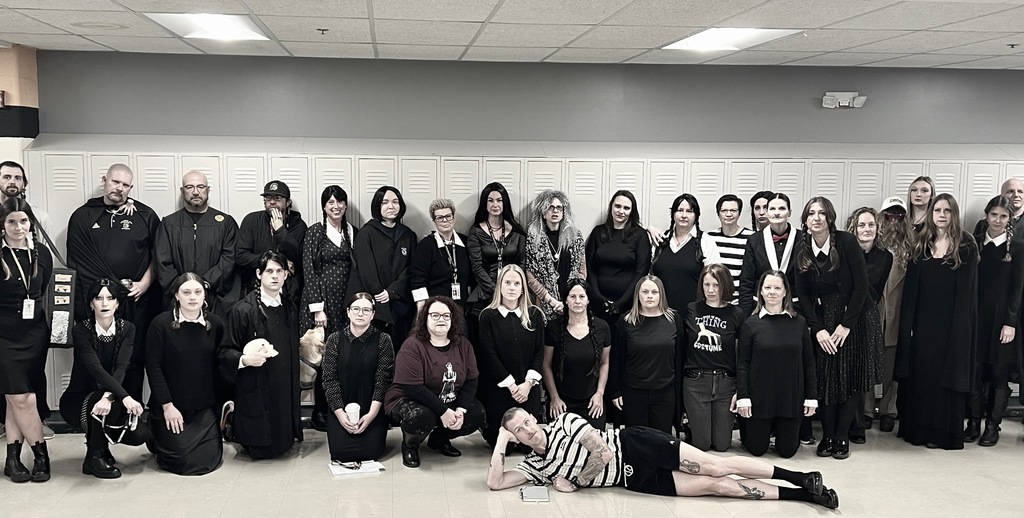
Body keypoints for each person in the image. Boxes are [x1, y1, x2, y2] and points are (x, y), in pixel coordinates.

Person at [487, 408, 838, 510]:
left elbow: (602, 452)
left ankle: (798, 476)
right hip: (631, 478)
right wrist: (500, 442)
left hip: (634, 444)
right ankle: (805, 495)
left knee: (715, 465)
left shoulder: (564, 421)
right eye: (520, 430)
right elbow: (496, 482)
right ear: (518, 438)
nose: (530, 430)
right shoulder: (536, 466)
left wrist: (574, 482)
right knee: (718, 487)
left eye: (528, 421)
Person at [794, 197, 881, 460]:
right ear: (806, 220)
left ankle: (841, 436)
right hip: (824, 319)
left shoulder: (846, 241)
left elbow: (862, 286)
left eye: (822, 213)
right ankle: (828, 436)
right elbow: (803, 295)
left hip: (856, 317)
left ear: (830, 218)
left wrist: (846, 325)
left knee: (848, 378)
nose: (817, 218)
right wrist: (818, 329)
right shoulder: (802, 247)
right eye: (812, 213)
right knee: (828, 378)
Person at [66, 163, 160, 402]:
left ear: (131, 187)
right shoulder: (82, 215)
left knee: (133, 357)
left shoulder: (145, 215)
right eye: (115, 182)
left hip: (135, 302)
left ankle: (130, 411)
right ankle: (92, 412)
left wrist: (144, 284)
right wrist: (94, 299)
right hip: (98, 304)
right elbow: (77, 263)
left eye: (125, 185)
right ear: (104, 180)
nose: (119, 188)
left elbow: (158, 256)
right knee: (96, 358)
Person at [897, 193, 978, 450]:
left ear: (954, 214)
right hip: (922, 324)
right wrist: (908, 325)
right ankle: (918, 431)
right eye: (937, 210)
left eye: (947, 211)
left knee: (945, 379)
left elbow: (967, 294)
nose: (942, 215)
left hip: (951, 325)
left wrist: (960, 329)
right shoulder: (921, 245)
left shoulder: (965, 246)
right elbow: (911, 291)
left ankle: (942, 433)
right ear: (931, 214)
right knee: (922, 377)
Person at [60, 279, 148, 479]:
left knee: (140, 434)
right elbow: (95, 368)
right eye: (98, 298)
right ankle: (97, 456)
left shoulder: (128, 329)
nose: (105, 303)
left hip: (109, 397)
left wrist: (109, 396)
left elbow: (121, 367)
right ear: (91, 304)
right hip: (78, 400)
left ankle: (94, 453)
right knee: (105, 404)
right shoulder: (81, 330)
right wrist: (123, 397)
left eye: (110, 298)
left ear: (118, 303)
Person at [384, 296, 485, 468]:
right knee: (422, 415)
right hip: (409, 399)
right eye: (435, 315)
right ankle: (410, 446)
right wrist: (443, 411)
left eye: (446, 316)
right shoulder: (413, 345)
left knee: (476, 413)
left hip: (447, 399)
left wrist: (459, 410)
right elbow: (413, 387)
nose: (441, 320)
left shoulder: (464, 344)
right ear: (425, 318)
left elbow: (471, 380)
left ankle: (439, 439)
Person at [222, 251, 303, 460]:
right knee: (260, 441)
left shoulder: (290, 307)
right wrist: (245, 360)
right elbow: (225, 351)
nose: (275, 276)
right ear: (259, 274)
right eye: (269, 271)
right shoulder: (242, 310)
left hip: (283, 383)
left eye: (279, 271)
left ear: (286, 274)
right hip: (256, 382)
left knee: (282, 440)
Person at [145, 273, 226, 475]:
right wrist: (167, 406)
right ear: (177, 296)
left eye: (198, 292)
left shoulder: (216, 325)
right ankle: (156, 435)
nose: (192, 297)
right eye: (186, 292)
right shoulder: (160, 324)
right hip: (171, 407)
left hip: (202, 408)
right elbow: (153, 368)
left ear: (204, 295)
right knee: (182, 459)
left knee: (209, 459)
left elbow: (221, 365)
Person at [736, 271, 817, 459]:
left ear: (785, 292)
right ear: (761, 292)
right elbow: (743, 364)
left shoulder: (799, 323)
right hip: (760, 397)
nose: (772, 292)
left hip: (790, 397)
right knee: (757, 449)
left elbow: (809, 362)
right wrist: (743, 397)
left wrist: (812, 396)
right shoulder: (751, 324)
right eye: (768, 287)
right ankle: (753, 431)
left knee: (787, 451)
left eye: (777, 288)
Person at [0, 161, 53, 437]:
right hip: (5, 331)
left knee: (22, 393)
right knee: (19, 395)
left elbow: (44, 287)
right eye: (10, 221)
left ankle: (13, 454)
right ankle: (39, 451)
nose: (18, 226)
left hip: (33, 329)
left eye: (17, 177)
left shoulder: (40, 253)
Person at [968, 195, 1024, 446]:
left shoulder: (1018, 248)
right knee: (975, 371)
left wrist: (1011, 322)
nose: (998, 220)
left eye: (1004, 216)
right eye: (994, 215)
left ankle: (993, 426)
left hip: (1003, 321)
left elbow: (1017, 289)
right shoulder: (975, 244)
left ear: (1009, 219)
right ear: (986, 215)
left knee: (999, 373)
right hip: (977, 318)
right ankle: (972, 423)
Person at [300, 185, 357, 431]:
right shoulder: (315, 232)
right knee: (320, 358)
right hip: (322, 304)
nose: (335, 206)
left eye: (340, 202)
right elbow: (309, 270)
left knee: (339, 358)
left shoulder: (351, 232)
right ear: (324, 206)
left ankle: (338, 408)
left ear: (345, 205)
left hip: (344, 302)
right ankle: (319, 412)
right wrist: (317, 309)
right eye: (330, 202)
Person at [321, 293, 395, 462]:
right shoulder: (334, 339)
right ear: (348, 312)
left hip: (372, 408)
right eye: (356, 309)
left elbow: (383, 381)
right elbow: (329, 379)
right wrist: (340, 414)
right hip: (341, 407)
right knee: (340, 453)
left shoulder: (383, 340)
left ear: (373, 314)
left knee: (371, 454)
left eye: (366, 310)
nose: (360, 313)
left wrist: (371, 415)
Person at [477, 264, 545, 447]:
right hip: (500, 388)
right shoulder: (488, 316)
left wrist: (527, 385)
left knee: (528, 446)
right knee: (501, 444)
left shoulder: (534, 314)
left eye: (516, 283)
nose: (512, 287)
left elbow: (539, 352)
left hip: (527, 389)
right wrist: (512, 386)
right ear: (499, 286)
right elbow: (488, 354)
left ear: (523, 288)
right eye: (507, 283)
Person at [155, 170, 239, 316]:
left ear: (208, 190)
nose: (195, 192)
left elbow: (229, 258)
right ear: (182, 191)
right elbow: (162, 261)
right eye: (189, 187)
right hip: (178, 297)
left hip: (215, 297)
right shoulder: (169, 223)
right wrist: (182, 288)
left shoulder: (225, 223)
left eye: (200, 187)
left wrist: (205, 283)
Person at [610, 275, 686, 434]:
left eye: (654, 292)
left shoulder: (674, 320)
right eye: (645, 292)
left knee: (662, 440)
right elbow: (616, 359)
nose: (650, 296)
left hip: (665, 393)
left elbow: (681, 358)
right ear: (638, 294)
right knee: (637, 439)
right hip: (634, 392)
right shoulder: (625, 322)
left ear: (661, 295)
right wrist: (616, 390)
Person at [683, 264, 746, 452]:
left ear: (725, 285)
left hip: (725, 383)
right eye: (706, 284)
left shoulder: (736, 314)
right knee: (701, 445)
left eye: (716, 285)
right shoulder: (692, 310)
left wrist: (739, 389)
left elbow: (742, 354)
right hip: (696, 381)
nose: (710, 290)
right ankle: (692, 426)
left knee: (722, 446)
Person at [844, 206, 893, 444]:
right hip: (843, 317)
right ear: (853, 228)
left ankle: (859, 425)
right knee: (845, 371)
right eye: (862, 225)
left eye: (871, 225)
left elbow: (868, 289)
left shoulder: (886, 257)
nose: (867, 229)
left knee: (863, 372)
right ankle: (846, 423)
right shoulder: (841, 251)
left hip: (867, 317)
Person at [348, 185, 416, 347]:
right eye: (385, 202)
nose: (390, 206)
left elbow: (412, 269)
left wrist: (392, 292)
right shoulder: (367, 233)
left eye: (395, 202)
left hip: (400, 303)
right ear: (377, 206)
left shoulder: (408, 235)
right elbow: (365, 270)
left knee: (400, 350)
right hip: (375, 305)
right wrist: (380, 294)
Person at [542, 279, 611, 430]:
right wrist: (554, 397)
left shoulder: (602, 327)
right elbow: (545, 365)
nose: (577, 301)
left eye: (582, 297)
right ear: (565, 300)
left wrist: (599, 394)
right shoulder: (553, 327)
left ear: (588, 300)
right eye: (572, 297)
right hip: (562, 400)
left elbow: (605, 363)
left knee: (593, 443)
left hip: (591, 400)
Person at [465, 182, 526, 341]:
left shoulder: (516, 230)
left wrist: (510, 291)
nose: (495, 204)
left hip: (512, 293)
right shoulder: (476, 231)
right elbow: (476, 267)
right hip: (486, 293)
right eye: (490, 200)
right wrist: (497, 292)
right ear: (484, 204)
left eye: (499, 200)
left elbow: (522, 264)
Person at [874, 196, 912, 433]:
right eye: (889, 215)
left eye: (899, 216)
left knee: (890, 367)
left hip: (897, 315)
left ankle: (888, 410)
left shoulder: (910, 249)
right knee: (868, 365)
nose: (893, 221)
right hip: (873, 313)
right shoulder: (872, 245)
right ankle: (867, 409)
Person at [585, 190, 650, 326]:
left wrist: (620, 303)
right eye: (618, 206)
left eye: (626, 208)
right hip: (598, 304)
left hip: (628, 305)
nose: (621, 211)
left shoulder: (640, 235)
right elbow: (590, 268)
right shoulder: (598, 232)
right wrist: (598, 298)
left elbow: (641, 272)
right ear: (611, 207)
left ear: (632, 211)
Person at [236, 180, 307, 301]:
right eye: (268, 198)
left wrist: (280, 230)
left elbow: (300, 260)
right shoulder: (251, 221)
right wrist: (278, 262)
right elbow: (241, 257)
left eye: (278, 198)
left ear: (288, 202)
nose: (272, 202)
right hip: (257, 292)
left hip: (289, 295)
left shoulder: (299, 226)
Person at [525, 189, 586, 320]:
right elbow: (530, 276)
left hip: (571, 301)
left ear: (564, 212)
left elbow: (582, 271)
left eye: (559, 208)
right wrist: (552, 301)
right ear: (543, 212)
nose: (555, 211)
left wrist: (572, 297)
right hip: (545, 302)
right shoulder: (533, 238)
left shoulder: (575, 237)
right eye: (550, 207)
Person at [738, 193, 802, 317]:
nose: (777, 213)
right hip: (761, 308)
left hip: (795, 308)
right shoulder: (754, 240)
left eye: (782, 208)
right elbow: (747, 281)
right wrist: (744, 317)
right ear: (767, 212)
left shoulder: (803, 240)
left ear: (790, 212)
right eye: (772, 209)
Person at [410, 198, 472, 312]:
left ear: (454, 217)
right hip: (436, 308)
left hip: (461, 307)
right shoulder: (425, 246)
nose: (445, 221)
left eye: (448, 216)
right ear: (434, 221)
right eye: (440, 218)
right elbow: (418, 279)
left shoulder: (465, 242)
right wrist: (422, 310)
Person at [651, 194, 704, 314]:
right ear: (673, 214)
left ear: (696, 215)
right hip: (660, 313)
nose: (684, 215)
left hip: (693, 314)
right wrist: (649, 228)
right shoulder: (660, 239)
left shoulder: (705, 241)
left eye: (689, 211)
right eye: (680, 210)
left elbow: (714, 279)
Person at [701, 194, 755, 302]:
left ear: (739, 213)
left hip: (739, 301)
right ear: (718, 214)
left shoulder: (751, 238)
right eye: (724, 210)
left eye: (733, 210)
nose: (729, 214)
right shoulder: (709, 237)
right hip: (713, 299)